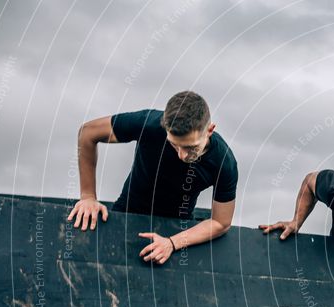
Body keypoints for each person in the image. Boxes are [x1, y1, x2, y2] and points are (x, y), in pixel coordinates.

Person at [67, 91, 238, 265]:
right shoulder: (149, 124)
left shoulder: (224, 161)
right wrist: (88, 196)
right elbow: (87, 133)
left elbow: (220, 222)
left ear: (209, 130)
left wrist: (172, 243)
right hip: (127, 213)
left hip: (176, 229)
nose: (182, 155)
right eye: (174, 144)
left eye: (190, 147)